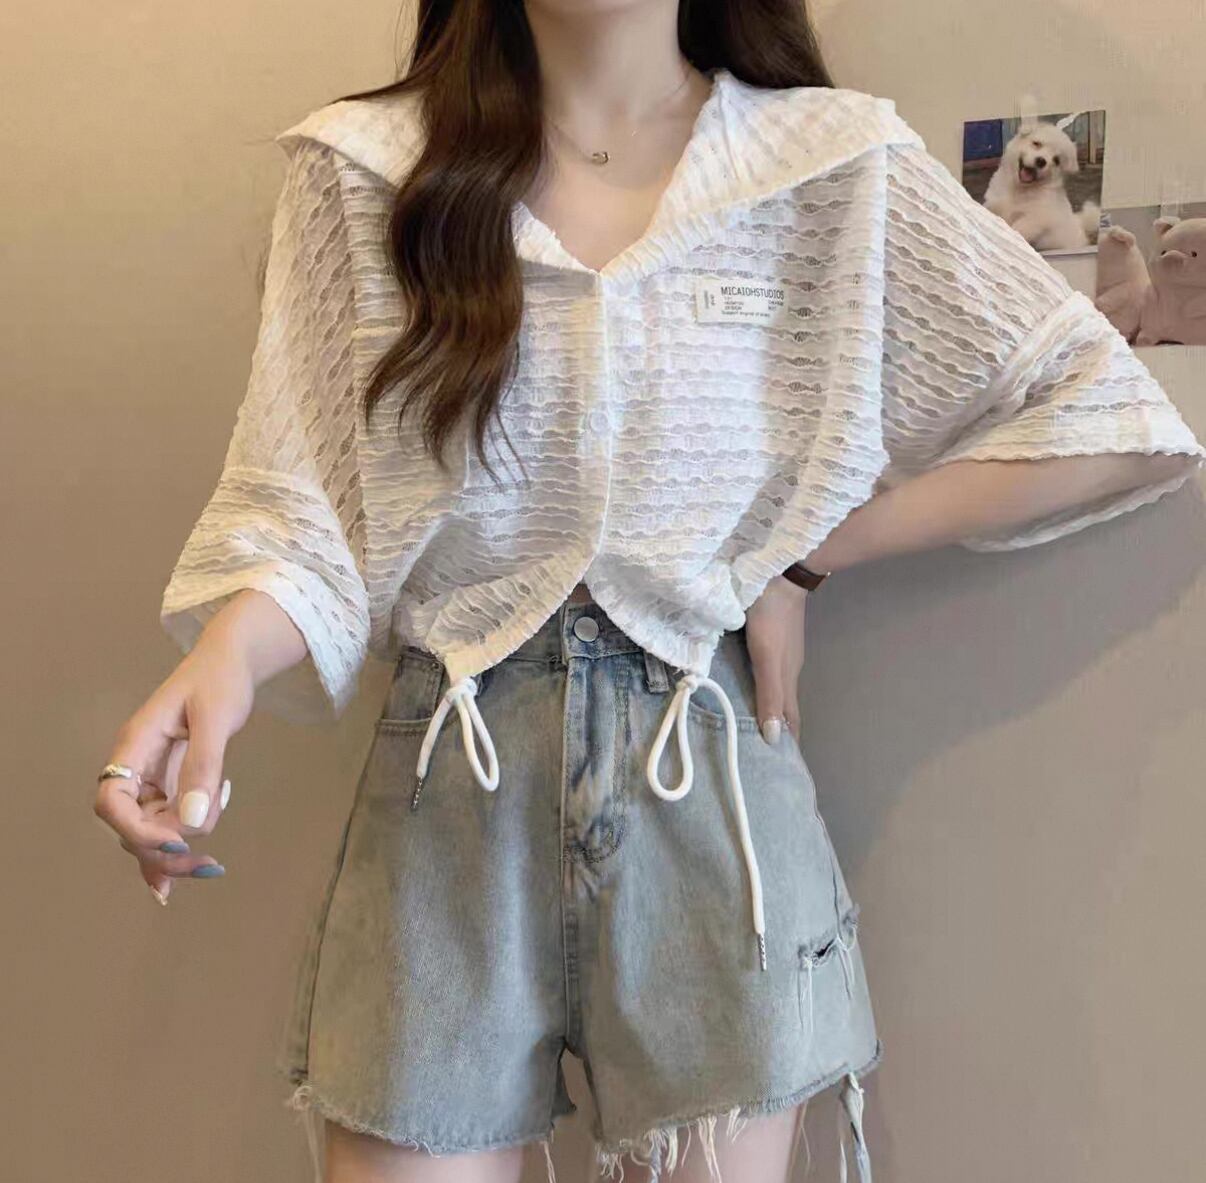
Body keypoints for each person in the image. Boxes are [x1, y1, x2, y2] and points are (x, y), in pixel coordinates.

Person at [92, 3, 1205, 1182]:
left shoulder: (828, 165)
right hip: (449, 798)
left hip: (711, 790)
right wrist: (222, 656)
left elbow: (1110, 414)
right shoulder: (368, 172)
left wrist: (806, 556)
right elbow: (307, 517)